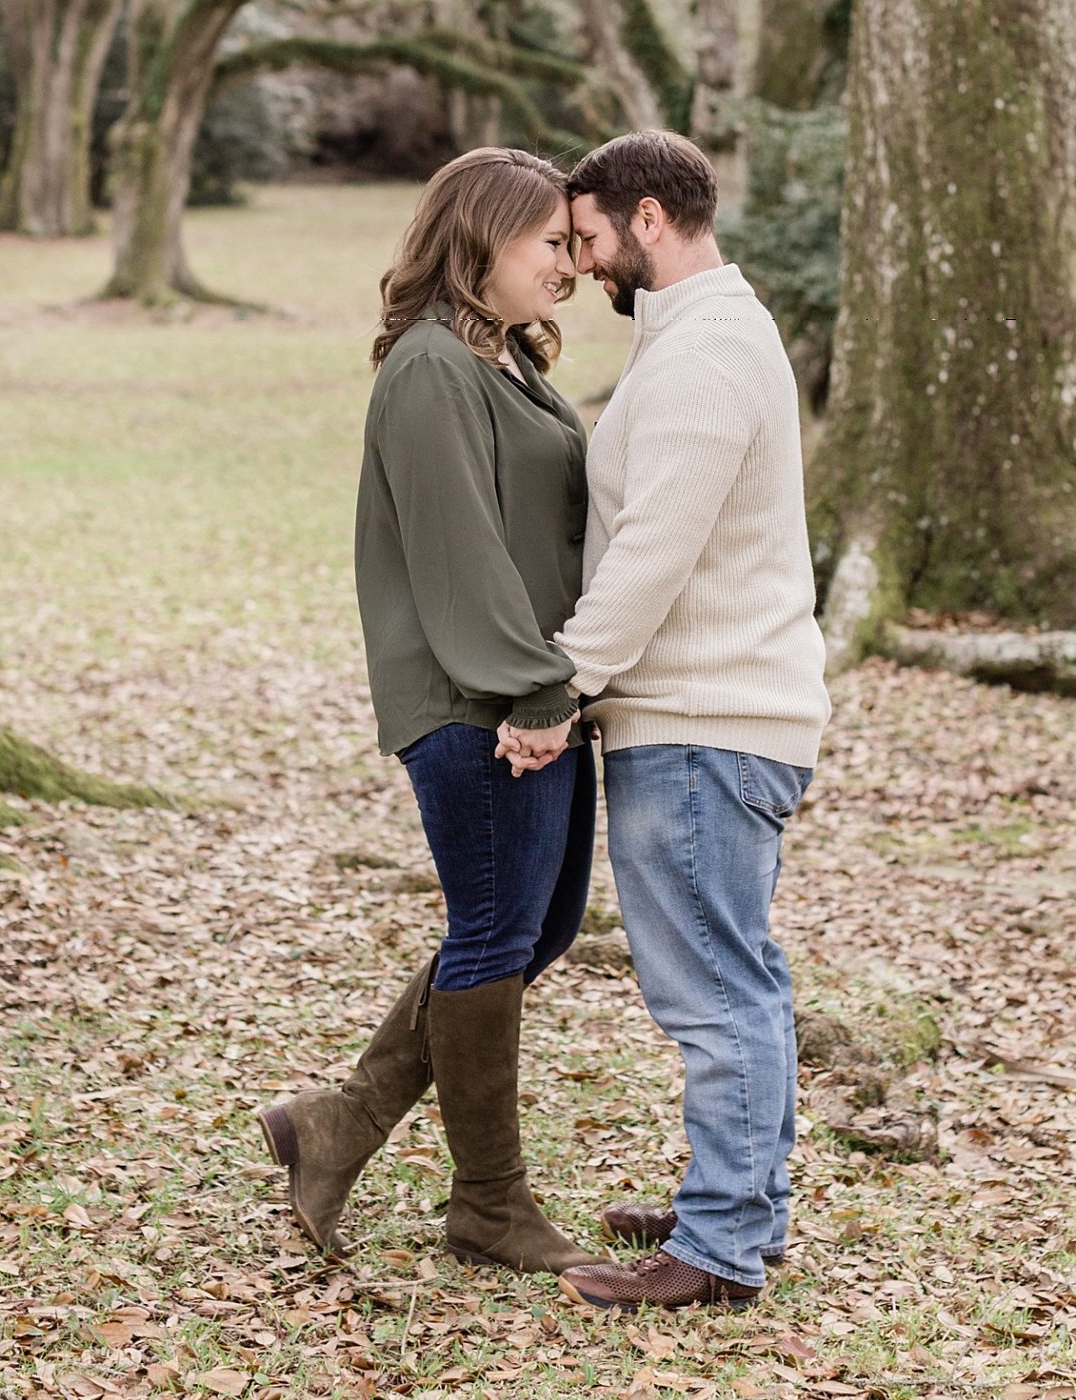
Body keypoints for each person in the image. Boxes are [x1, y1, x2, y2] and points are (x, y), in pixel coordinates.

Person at [500, 130, 830, 1311]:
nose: (581, 263)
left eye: (587, 237)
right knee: (740, 972)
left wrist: (561, 689)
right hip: (720, 711)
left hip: (701, 719)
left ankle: (722, 1243)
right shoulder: (706, 335)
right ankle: (743, 1199)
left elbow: (653, 549)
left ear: (647, 220)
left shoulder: (702, 355)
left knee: (710, 989)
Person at [258, 148, 592, 1273]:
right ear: (481, 238)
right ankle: (488, 1203)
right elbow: (459, 554)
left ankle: (341, 1121)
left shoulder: (499, 364)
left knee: (522, 930)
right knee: (499, 930)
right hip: (478, 702)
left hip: (522, 692)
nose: (573, 262)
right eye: (551, 241)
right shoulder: (433, 368)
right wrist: (538, 683)